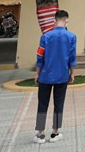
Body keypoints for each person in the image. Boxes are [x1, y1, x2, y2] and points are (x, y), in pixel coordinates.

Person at [33, 10, 77, 144]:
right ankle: (55, 132)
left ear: (54, 20)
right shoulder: (71, 37)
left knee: (42, 103)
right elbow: (72, 58)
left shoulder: (45, 36)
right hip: (62, 75)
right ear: (67, 21)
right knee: (59, 104)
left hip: (45, 76)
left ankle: (40, 133)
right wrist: (72, 73)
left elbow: (40, 56)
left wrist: (37, 73)